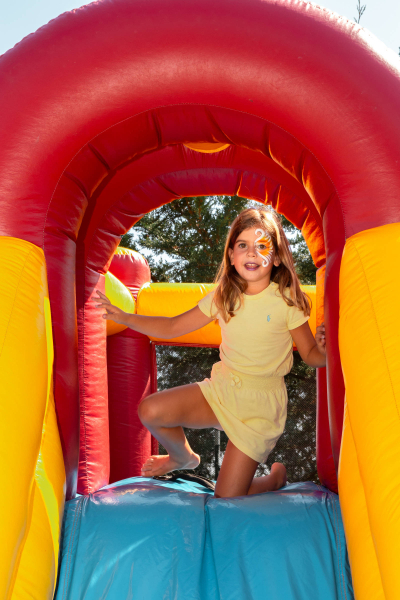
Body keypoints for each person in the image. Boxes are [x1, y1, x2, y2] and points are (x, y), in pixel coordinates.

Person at [95, 207, 326, 498]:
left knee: (227, 497)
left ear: (276, 257)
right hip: (223, 389)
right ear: (231, 255)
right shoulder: (223, 295)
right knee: (150, 410)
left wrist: (325, 351)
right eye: (243, 245)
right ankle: (182, 458)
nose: (251, 254)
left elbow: (310, 356)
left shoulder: (287, 301)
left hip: (259, 407)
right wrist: (126, 317)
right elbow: (172, 326)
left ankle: (273, 479)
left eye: (262, 246)